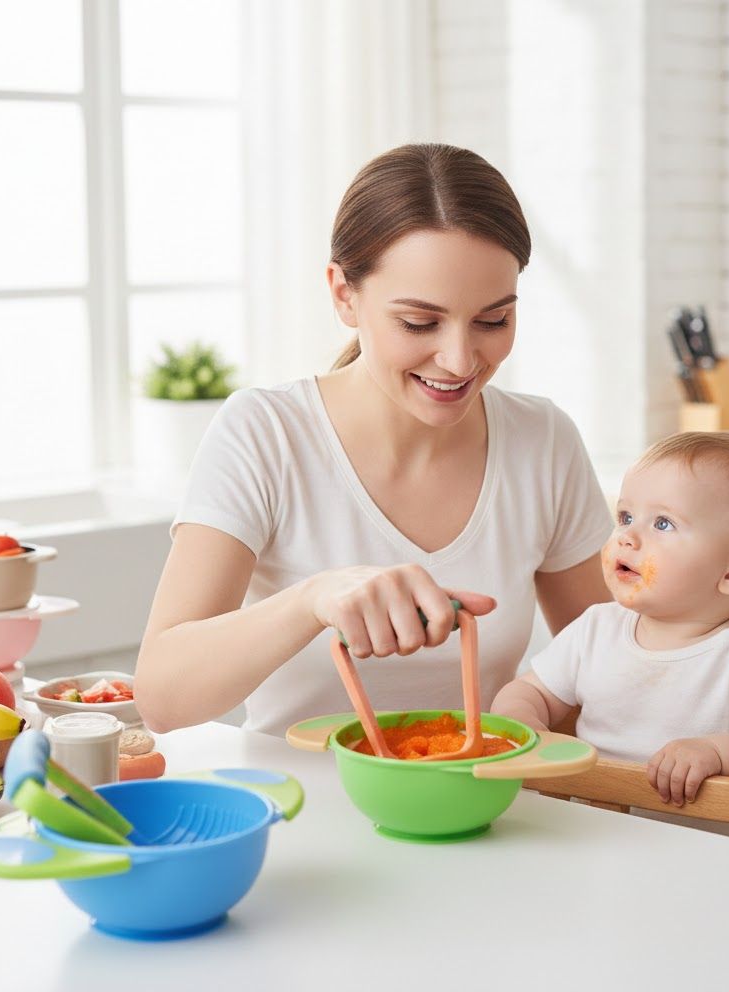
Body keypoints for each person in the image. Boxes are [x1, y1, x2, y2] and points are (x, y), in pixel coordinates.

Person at [134, 142, 612, 737]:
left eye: (493, 320)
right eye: (419, 323)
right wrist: (314, 598)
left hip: (486, 812)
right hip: (298, 815)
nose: (460, 359)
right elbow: (162, 700)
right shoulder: (265, 433)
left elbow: (611, 670)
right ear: (343, 294)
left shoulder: (543, 442)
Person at [491, 431, 729, 838]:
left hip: (713, 857)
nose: (627, 537)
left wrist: (716, 752)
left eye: (662, 523)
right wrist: (524, 725)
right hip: (591, 833)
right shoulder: (596, 628)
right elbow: (530, 692)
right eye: (626, 517)